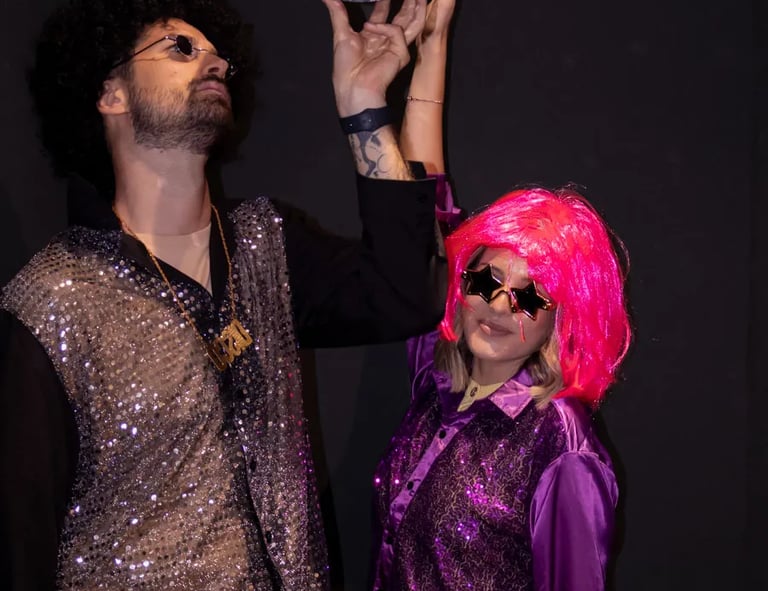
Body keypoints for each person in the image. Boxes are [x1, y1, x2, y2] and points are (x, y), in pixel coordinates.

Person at [0, 0, 443, 589]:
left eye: (218, 55)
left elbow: (405, 294)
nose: (212, 62)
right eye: (182, 48)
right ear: (112, 94)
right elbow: (20, 544)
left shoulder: (265, 244)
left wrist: (364, 108)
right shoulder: (54, 297)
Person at [371, 1, 632, 589]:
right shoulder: (437, 383)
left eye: (530, 297)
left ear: (560, 320)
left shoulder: (561, 448)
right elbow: (422, 205)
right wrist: (432, 46)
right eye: (486, 281)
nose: (498, 305)